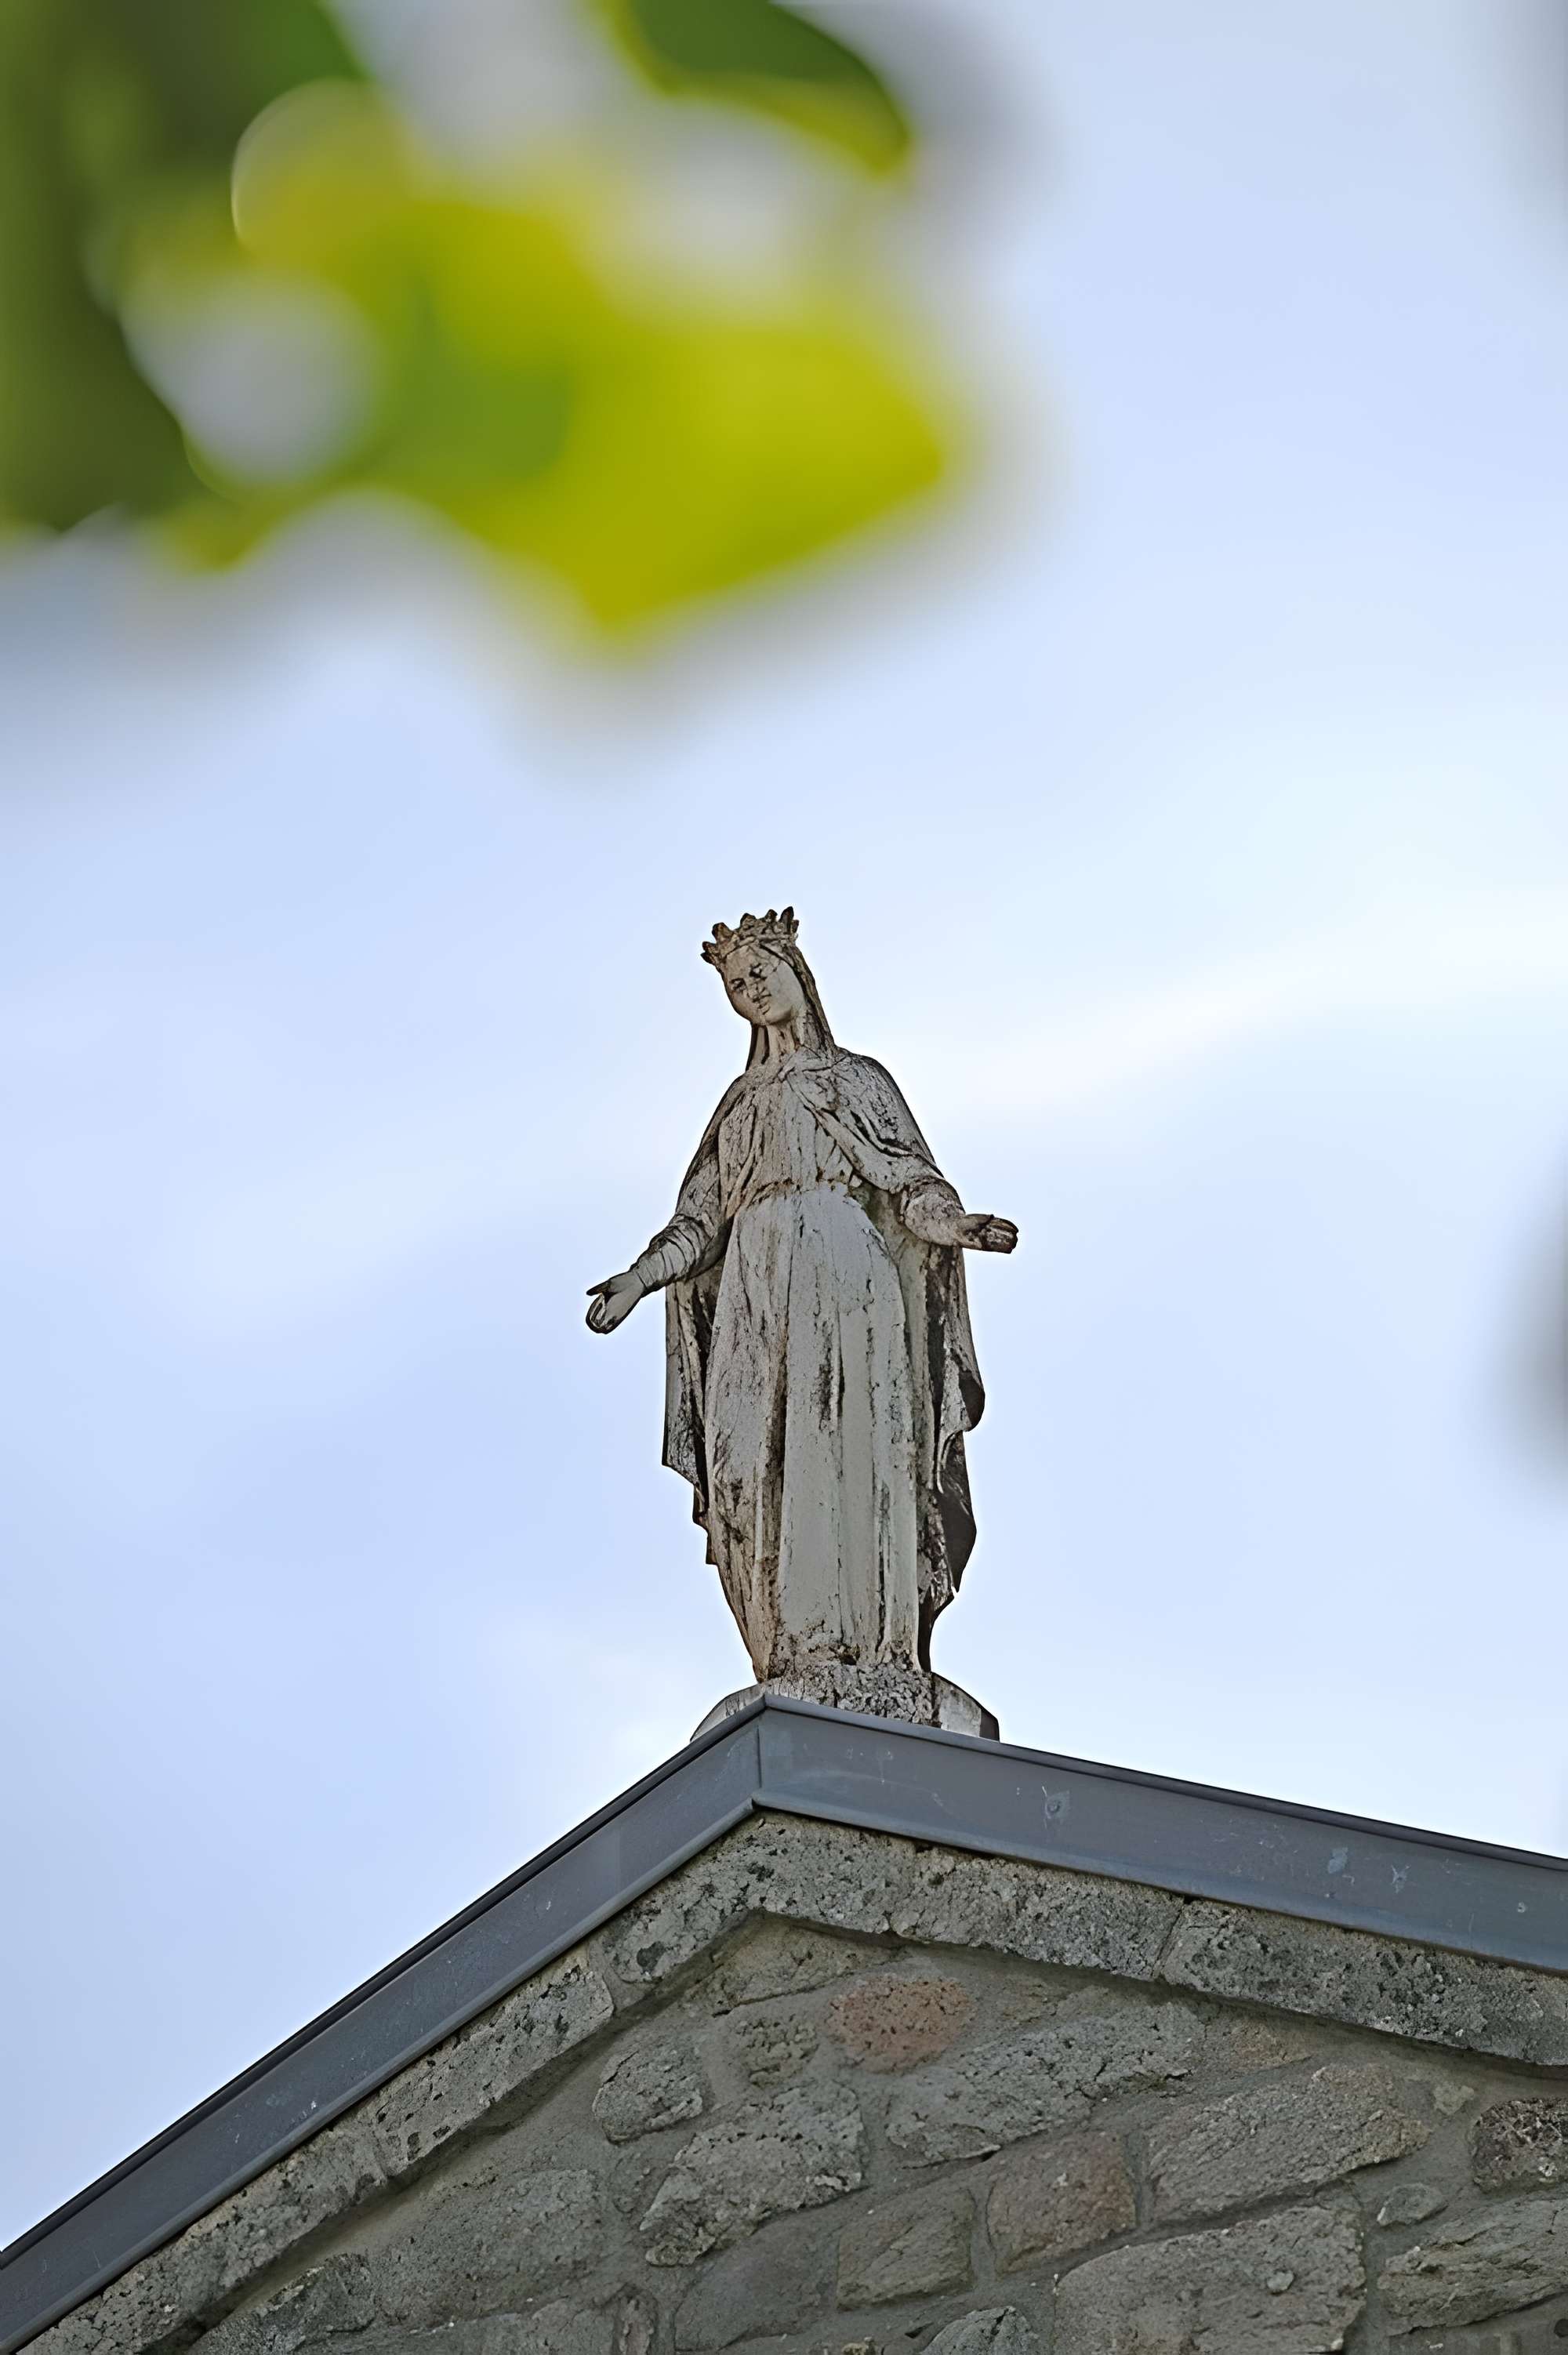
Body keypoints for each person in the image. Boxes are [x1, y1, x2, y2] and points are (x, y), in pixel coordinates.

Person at [587, 908, 1016, 1687]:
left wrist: (954, 1223)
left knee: (854, 1445)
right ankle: (787, 1650)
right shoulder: (739, 1104)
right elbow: (698, 1221)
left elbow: (905, 1179)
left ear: (797, 975)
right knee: (747, 1464)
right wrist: (638, 1279)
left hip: (845, 1268)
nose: (751, 990)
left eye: (761, 973)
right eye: (735, 984)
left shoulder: (857, 1080)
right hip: (754, 1279)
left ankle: (873, 1654)